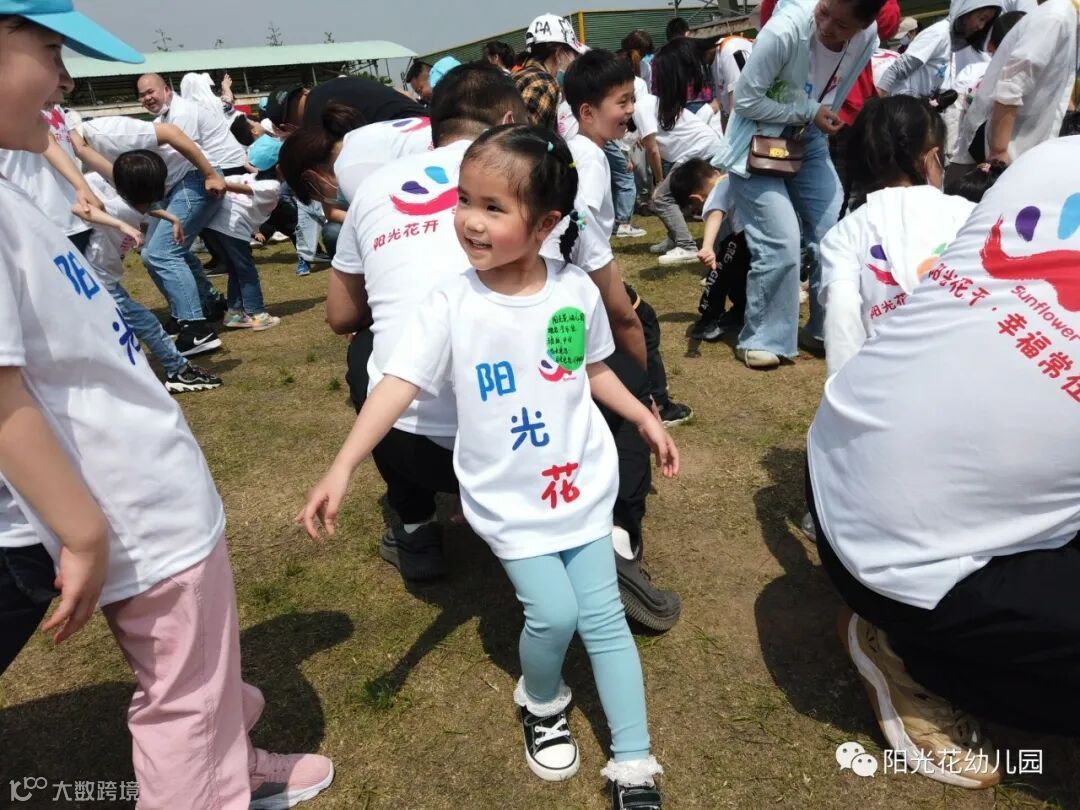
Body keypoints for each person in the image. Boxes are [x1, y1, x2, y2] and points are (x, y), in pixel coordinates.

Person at [0, 4, 334, 807]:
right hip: (125, 505)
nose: (65, 80)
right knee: (184, 693)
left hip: (133, 491)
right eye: (49, 51)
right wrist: (81, 531)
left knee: (198, 673)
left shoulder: (16, 183)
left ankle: (231, 760)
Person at [301, 123, 674, 809]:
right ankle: (541, 699)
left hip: (579, 484)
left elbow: (590, 369)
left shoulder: (573, 292)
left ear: (546, 224)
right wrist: (344, 464)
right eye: (465, 200)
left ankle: (633, 761)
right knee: (553, 615)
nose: (469, 220)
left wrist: (644, 414)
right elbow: (397, 383)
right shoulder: (451, 302)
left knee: (602, 618)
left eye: (493, 207)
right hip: (508, 498)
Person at [808, 133, 1080, 790]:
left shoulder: (1056, 157)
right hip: (902, 558)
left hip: (838, 455)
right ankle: (915, 658)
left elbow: (842, 315)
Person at [327, 64, 529, 585]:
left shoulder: (375, 186)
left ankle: (415, 528)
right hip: (535, 433)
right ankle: (613, 533)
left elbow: (340, 315)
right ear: (510, 121)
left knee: (367, 349)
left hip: (416, 445)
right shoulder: (535, 177)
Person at [712, 0, 882, 370]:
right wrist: (809, 110)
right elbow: (745, 101)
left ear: (863, 25)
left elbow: (842, 85)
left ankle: (825, 329)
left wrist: (820, 114)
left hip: (809, 138)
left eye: (842, 26)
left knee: (833, 234)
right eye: (824, 11)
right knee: (782, 239)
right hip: (756, 142)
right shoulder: (784, 29)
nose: (827, 27)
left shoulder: (867, 36)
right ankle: (764, 337)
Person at [818, 96, 975, 377]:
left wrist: (843, 388)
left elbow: (842, 316)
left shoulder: (844, 234)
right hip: (968, 373)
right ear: (932, 158)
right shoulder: (969, 215)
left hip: (885, 382)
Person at [74, 115, 228, 356]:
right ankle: (205, 304)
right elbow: (121, 181)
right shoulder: (82, 149)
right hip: (166, 189)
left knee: (162, 253)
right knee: (151, 253)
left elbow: (171, 132)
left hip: (192, 176)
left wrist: (210, 174)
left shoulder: (106, 132)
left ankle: (197, 329)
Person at [81, 150, 223, 392]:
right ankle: (178, 371)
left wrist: (172, 218)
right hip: (99, 283)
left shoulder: (127, 202)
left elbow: (148, 208)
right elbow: (80, 209)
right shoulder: (115, 209)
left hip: (103, 280)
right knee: (148, 324)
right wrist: (121, 225)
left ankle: (107, 376)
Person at [955, 0, 1079, 168]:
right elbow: (1012, 83)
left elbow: (1058, 82)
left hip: (1026, 140)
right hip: (1008, 145)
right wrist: (998, 154)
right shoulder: (1055, 16)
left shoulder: (1064, 14)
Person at [644, 38, 725, 266]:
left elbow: (652, 148)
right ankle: (681, 240)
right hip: (700, 150)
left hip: (701, 151)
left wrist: (659, 180)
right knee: (708, 199)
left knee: (662, 196)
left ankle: (688, 245)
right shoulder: (652, 103)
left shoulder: (727, 56)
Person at [201, 142, 284, 332]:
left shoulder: (244, 177)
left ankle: (235, 313)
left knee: (236, 270)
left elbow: (230, 184)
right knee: (247, 272)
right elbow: (242, 189)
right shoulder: (272, 186)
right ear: (279, 167)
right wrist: (218, 181)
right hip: (232, 229)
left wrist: (216, 180)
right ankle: (258, 314)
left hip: (214, 227)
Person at [669, 158, 750, 342]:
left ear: (696, 199)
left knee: (717, 275)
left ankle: (708, 319)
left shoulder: (719, 187)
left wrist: (707, 246)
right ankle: (740, 313)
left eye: (697, 208)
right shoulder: (734, 175)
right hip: (762, 234)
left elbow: (715, 214)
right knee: (742, 276)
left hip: (744, 237)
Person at [0, 103, 99, 253]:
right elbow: (48, 142)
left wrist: (118, 181)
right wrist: (82, 186)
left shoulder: (55, 107)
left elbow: (81, 147)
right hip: (37, 221)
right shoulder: (13, 104)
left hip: (78, 215)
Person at [876, 0, 1003, 99]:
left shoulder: (952, 41)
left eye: (986, 22)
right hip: (902, 107)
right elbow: (898, 69)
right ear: (966, 11)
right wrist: (875, 103)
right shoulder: (939, 34)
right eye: (981, 18)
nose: (981, 26)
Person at [265, 75, 427, 134]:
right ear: (304, 91)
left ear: (288, 127)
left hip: (410, 138)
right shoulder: (335, 84)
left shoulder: (316, 124)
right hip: (427, 122)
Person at [513, 13, 587, 131]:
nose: (574, 61)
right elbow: (526, 135)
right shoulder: (545, 83)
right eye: (574, 55)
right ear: (559, 54)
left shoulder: (518, 75)